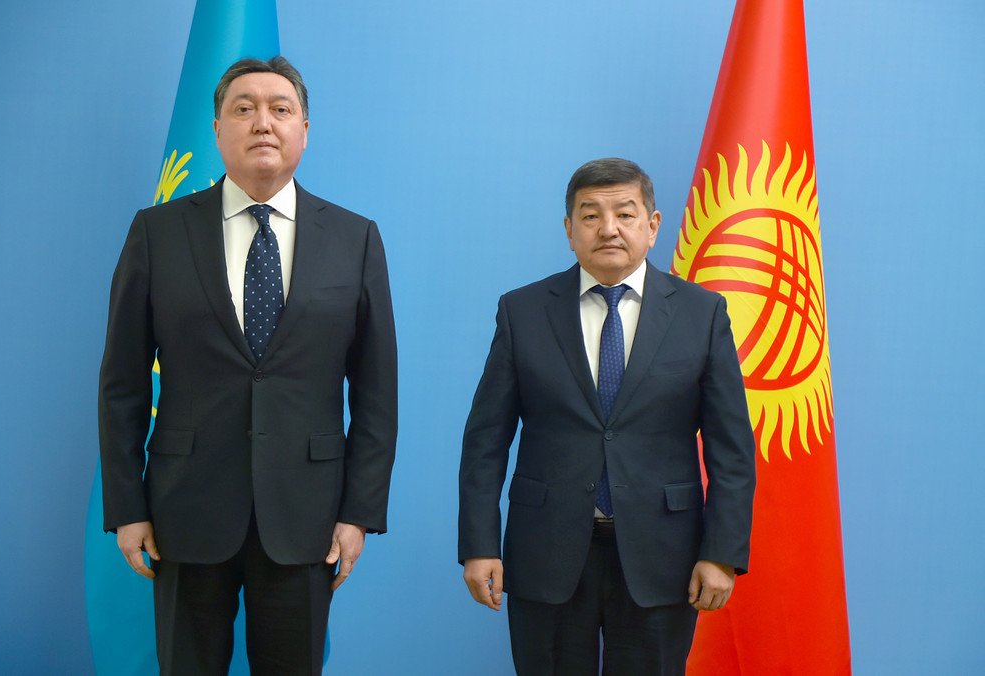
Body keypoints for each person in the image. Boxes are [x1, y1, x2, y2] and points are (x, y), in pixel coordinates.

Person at [98, 56, 397, 675]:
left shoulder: (355, 237)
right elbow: (122, 384)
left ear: (304, 131)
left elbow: (376, 393)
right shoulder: (157, 231)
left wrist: (359, 513)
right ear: (217, 130)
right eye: (244, 108)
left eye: (280, 109)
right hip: (183, 511)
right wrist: (127, 505)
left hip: (308, 517)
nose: (263, 122)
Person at [458, 158, 755, 675]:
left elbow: (732, 451)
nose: (609, 228)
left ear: (652, 226)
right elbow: (485, 441)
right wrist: (479, 545)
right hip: (546, 549)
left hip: (664, 556)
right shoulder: (523, 311)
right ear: (569, 229)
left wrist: (721, 552)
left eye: (625, 214)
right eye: (591, 215)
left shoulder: (701, 313)